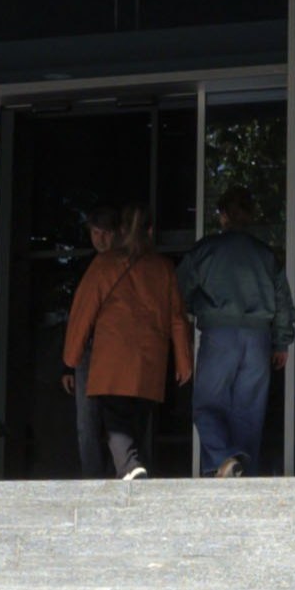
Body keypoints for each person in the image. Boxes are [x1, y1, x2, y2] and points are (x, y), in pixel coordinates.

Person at [59, 204, 184, 480]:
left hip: (111, 360)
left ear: (120, 233)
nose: (100, 239)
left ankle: (127, 467)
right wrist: (184, 362)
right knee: (135, 421)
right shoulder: (163, 267)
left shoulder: (103, 264)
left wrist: (70, 359)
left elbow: (82, 314)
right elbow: (177, 318)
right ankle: (125, 470)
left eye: (105, 233)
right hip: (148, 361)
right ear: (150, 232)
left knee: (110, 421)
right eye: (95, 232)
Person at [175, 188, 287, 478]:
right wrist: (281, 342)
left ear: (223, 215)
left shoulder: (206, 250)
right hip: (259, 339)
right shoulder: (265, 255)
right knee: (249, 412)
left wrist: (189, 315)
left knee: (207, 405)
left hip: (219, 334)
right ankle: (243, 474)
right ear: (249, 216)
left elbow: (177, 290)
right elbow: (283, 302)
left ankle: (224, 460)